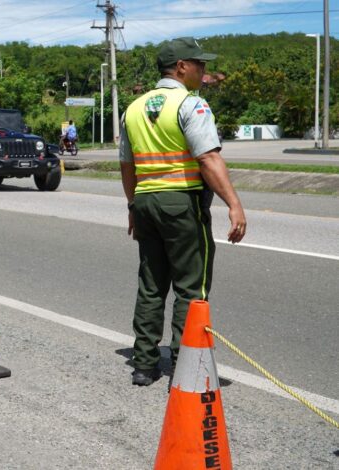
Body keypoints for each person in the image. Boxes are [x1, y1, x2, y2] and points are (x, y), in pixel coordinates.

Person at [119, 37, 247, 386]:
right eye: (199, 64)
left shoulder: (132, 109)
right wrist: (234, 204)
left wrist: (132, 205)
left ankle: (144, 364)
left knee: (151, 283)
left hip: (145, 202)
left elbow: (127, 168)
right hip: (182, 202)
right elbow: (208, 158)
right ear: (180, 67)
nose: (203, 71)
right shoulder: (192, 105)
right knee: (191, 286)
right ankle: (184, 360)